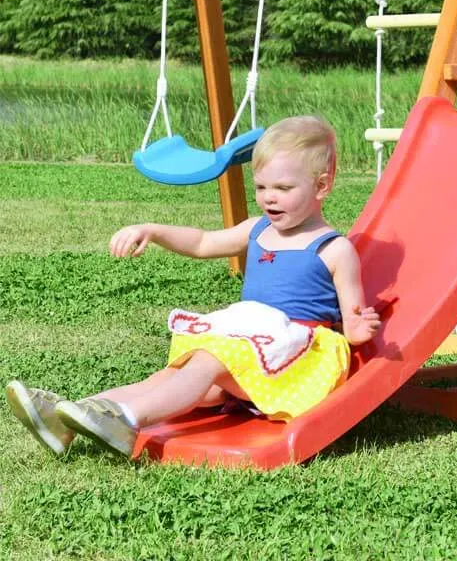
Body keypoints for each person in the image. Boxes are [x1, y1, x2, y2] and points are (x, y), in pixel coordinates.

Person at [6, 115, 380, 459]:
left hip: (294, 360)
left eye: (283, 187)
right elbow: (202, 242)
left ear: (322, 185)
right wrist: (152, 231)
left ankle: (125, 419)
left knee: (206, 361)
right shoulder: (257, 229)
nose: (269, 196)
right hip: (250, 351)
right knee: (175, 374)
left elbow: (352, 319)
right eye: (261, 186)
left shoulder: (334, 249)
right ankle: (68, 415)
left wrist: (359, 328)